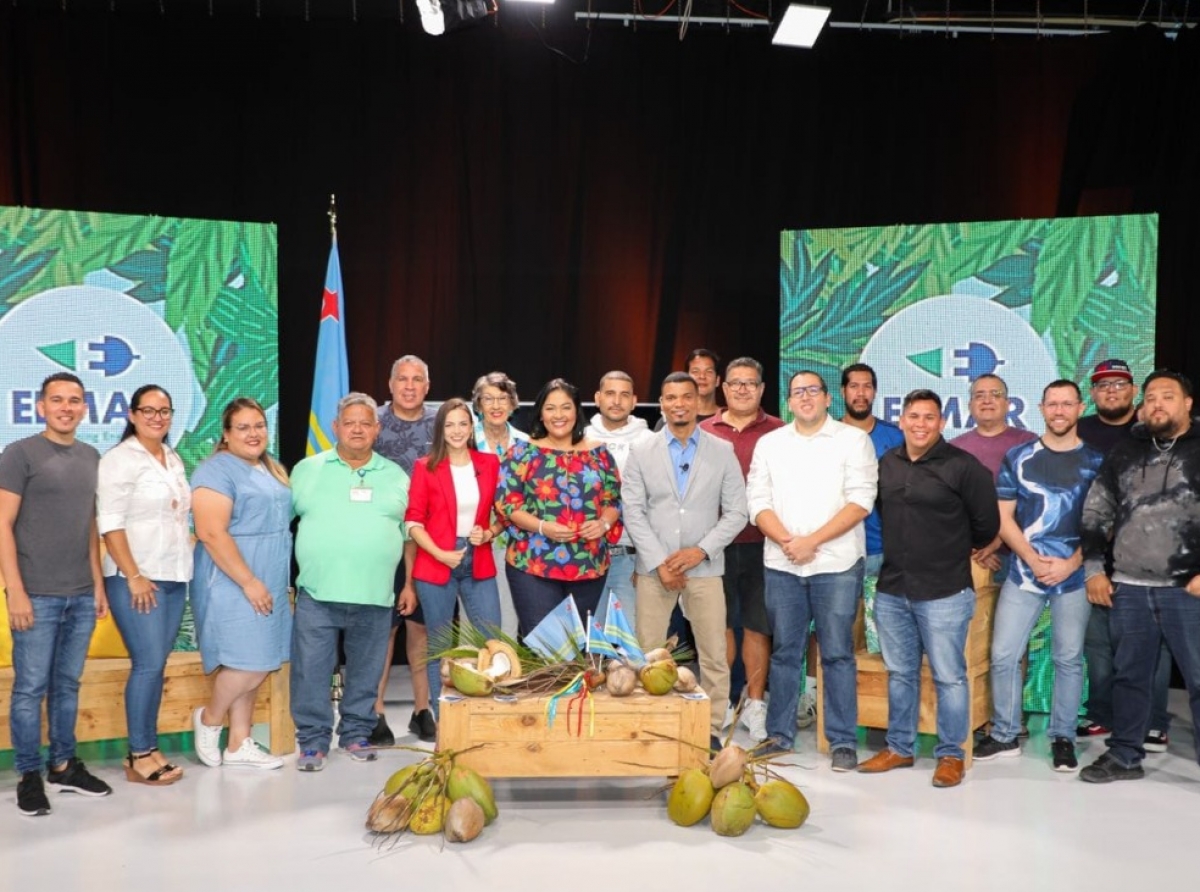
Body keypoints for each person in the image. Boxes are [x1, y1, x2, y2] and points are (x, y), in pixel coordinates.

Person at [858, 389, 1000, 788]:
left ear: (941, 423)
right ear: (901, 421)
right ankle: (900, 748)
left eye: (929, 418)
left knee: (949, 676)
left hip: (944, 593)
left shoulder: (963, 467)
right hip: (892, 590)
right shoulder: (888, 462)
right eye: (913, 416)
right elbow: (884, 514)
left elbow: (986, 526)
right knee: (900, 673)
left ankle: (951, 755)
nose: (920, 424)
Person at [747, 370, 876, 768]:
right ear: (788, 402)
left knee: (837, 653)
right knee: (786, 652)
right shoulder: (770, 444)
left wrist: (811, 542)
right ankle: (779, 735)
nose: (805, 398)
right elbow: (757, 502)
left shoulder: (853, 441)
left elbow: (861, 502)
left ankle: (841, 741)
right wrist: (789, 541)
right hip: (783, 564)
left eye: (813, 391)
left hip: (835, 564)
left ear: (827, 399)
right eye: (797, 392)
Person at [973, 380, 1103, 773]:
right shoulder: (1019, 456)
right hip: (1024, 573)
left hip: (1074, 576)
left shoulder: (1098, 462)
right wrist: (1030, 558)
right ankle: (1005, 734)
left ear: (1079, 408)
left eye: (1067, 404)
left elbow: (1104, 524)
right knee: (1004, 655)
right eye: (1052, 404)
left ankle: (1062, 737)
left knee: (1067, 658)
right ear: (1041, 408)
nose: (1060, 411)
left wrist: (1070, 563)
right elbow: (1004, 517)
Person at [1078, 370, 1200, 783]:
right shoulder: (1126, 450)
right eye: (1151, 398)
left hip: (1188, 589)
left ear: (1188, 403)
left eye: (1168, 396)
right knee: (1129, 676)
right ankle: (1125, 756)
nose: (1157, 404)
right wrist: (1095, 569)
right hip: (1130, 587)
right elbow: (1097, 510)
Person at [0, 372, 111, 816]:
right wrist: (16, 592)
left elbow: (89, 525)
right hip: (37, 596)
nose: (67, 407)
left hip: (81, 595)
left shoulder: (91, 456)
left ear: (85, 408)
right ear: (40, 406)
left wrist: (98, 583)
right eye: (57, 400)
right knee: (30, 688)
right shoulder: (19, 453)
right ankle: (29, 774)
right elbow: (2, 525)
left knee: (67, 685)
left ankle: (62, 765)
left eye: (75, 400)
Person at [623, 372, 747, 746]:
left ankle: (710, 730)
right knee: (649, 655)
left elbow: (738, 512)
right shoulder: (641, 451)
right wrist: (660, 561)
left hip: (705, 568)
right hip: (653, 570)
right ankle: (652, 726)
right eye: (670, 397)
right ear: (661, 403)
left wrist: (701, 551)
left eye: (685, 397)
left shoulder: (721, 450)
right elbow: (633, 511)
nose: (678, 404)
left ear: (698, 401)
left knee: (713, 653)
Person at [289, 393, 409, 772]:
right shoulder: (306, 470)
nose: (357, 429)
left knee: (366, 671)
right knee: (311, 670)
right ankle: (312, 742)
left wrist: (410, 586)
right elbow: (279, 526)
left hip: (375, 594)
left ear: (377, 429)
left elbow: (410, 536)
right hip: (317, 594)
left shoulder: (396, 476)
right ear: (335, 428)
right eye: (349, 422)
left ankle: (356, 734)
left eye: (365, 423)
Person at [190, 398, 292, 770]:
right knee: (248, 663)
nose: (254, 433)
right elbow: (211, 533)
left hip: (270, 578)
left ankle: (238, 743)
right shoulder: (216, 471)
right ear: (227, 434)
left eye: (259, 425)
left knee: (259, 659)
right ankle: (210, 718)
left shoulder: (270, 468)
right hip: (233, 581)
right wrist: (249, 581)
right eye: (244, 427)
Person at [98, 384, 192, 786]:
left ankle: (151, 747)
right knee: (148, 665)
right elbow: (110, 523)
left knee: (157, 666)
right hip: (136, 579)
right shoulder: (120, 459)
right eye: (148, 410)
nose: (157, 417)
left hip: (173, 577)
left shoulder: (171, 457)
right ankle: (139, 755)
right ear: (133, 415)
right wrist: (133, 575)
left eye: (164, 411)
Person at [1076, 358, 1171, 751]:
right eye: (1102, 385)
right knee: (1098, 644)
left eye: (1119, 384)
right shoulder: (1079, 432)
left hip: (1150, 559)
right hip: (1095, 554)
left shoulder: (1155, 433)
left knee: (1155, 645)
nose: (1111, 390)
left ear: (1134, 392)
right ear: (1092, 394)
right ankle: (1102, 713)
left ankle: (1154, 721)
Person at [699, 357, 784, 740]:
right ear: (723, 388)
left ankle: (755, 706)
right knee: (718, 626)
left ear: (762, 389)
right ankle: (718, 704)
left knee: (756, 625)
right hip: (712, 545)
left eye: (750, 383)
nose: (742, 389)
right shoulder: (703, 430)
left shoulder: (781, 433)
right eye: (735, 383)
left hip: (763, 546)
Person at [495, 378, 622, 634]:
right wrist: (542, 527)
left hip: (589, 564)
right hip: (532, 564)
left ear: (577, 411)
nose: (558, 415)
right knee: (546, 648)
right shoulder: (522, 452)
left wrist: (603, 523)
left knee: (576, 649)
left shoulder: (600, 453)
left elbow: (614, 500)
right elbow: (508, 505)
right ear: (540, 414)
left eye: (565, 407)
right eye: (550, 408)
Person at [407, 398, 503, 718]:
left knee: (492, 641)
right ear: (440, 429)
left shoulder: (489, 463)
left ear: (471, 427)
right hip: (436, 562)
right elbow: (413, 522)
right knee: (440, 647)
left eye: (463, 424)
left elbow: (504, 515)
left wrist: (488, 533)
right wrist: (440, 554)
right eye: (450, 425)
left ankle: (488, 717)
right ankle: (443, 721)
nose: (457, 431)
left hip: (479, 560)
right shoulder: (426, 466)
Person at [371, 355, 438, 744]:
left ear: (427, 387)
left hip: (430, 542)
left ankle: (421, 709)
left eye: (417, 380)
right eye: (402, 379)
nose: (409, 386)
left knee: (423, 629)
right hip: (383, 541)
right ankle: (375, 712)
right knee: (384, 629)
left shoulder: (441, 424)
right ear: (391, 384)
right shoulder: (372, 422)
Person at [585, 370, 654, 628]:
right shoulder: (581, 439)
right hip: (587, 554)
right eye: (610, 394)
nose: (617, 401)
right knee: (590, 640)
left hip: (633, 556)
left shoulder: (650, 441)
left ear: (634, 401)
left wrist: (648, 560)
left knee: (631, 641)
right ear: (598, 397)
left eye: (624, 395)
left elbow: (658, 503)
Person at [471, 371, 527, 638]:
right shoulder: (464, 440)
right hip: (475, 541)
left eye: (502, 399)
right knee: (475, 624)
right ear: (478, 404)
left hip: (515, 544)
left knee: (508, 619)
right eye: (488, 399)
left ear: (513, 404)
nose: (495, 406)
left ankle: (505, 677)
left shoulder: (526, 445)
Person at [654, 348, 723, 431]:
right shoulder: (668, 421)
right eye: (695, 371)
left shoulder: (728, 420)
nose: (702, 376)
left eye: (708, 372)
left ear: (717, 380)